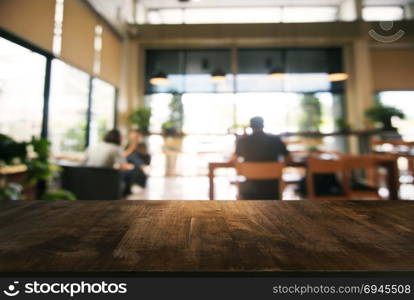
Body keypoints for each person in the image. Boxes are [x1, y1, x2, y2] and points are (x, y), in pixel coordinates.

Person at [232, 117, 289, 200]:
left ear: (250, 126)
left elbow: (235, 158)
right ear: (263, 125)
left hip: (249, 189)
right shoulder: (275, 140)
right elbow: (287, 157)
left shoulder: (242, 141)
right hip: (272, 189)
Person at [85, 129, 135, 197]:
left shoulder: (94, 146)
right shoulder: (116, 148)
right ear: (119, 138)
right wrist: (131, 167)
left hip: (88, 177)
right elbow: (123, 165)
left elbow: (85, 160)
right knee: (128, 172)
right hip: (107, 177)